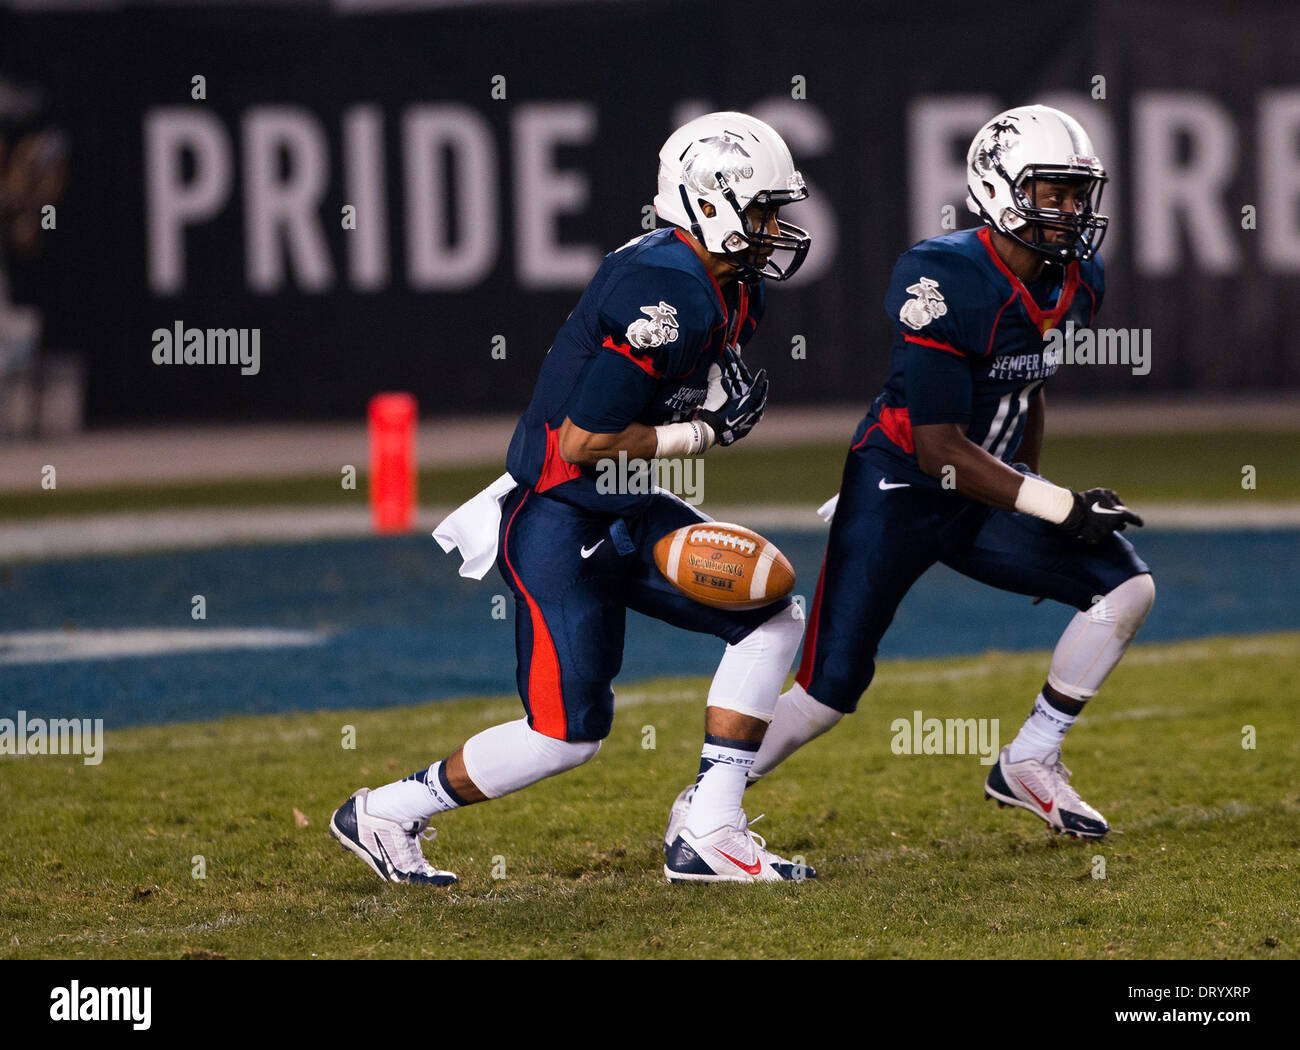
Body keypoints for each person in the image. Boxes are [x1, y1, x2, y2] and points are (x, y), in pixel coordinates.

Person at [330, 111, 814, 884]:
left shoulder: (722, 286)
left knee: (769, 614)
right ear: (708, 203)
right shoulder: (667, 291)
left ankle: (710, 829)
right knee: (566, 736)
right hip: (562, 517)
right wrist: (706, 434)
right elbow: (582, 442)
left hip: (620, 502)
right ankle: (385, 810)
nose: (776, 228)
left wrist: (698, 420)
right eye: (763, 210)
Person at [732, 104, 1155, 842]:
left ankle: (1031, 758)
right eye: (1051, 191)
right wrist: (1054, 506)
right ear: (995, 188)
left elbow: (1030, 387)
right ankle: (707, 803)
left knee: (1126, 590)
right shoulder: (943, 274)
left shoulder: (1080, 276)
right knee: (830, 692)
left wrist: (1030, 489)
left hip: (987, 486)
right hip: (902, 488)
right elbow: (937, 449)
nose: (1069, 211)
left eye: (1077, 194)